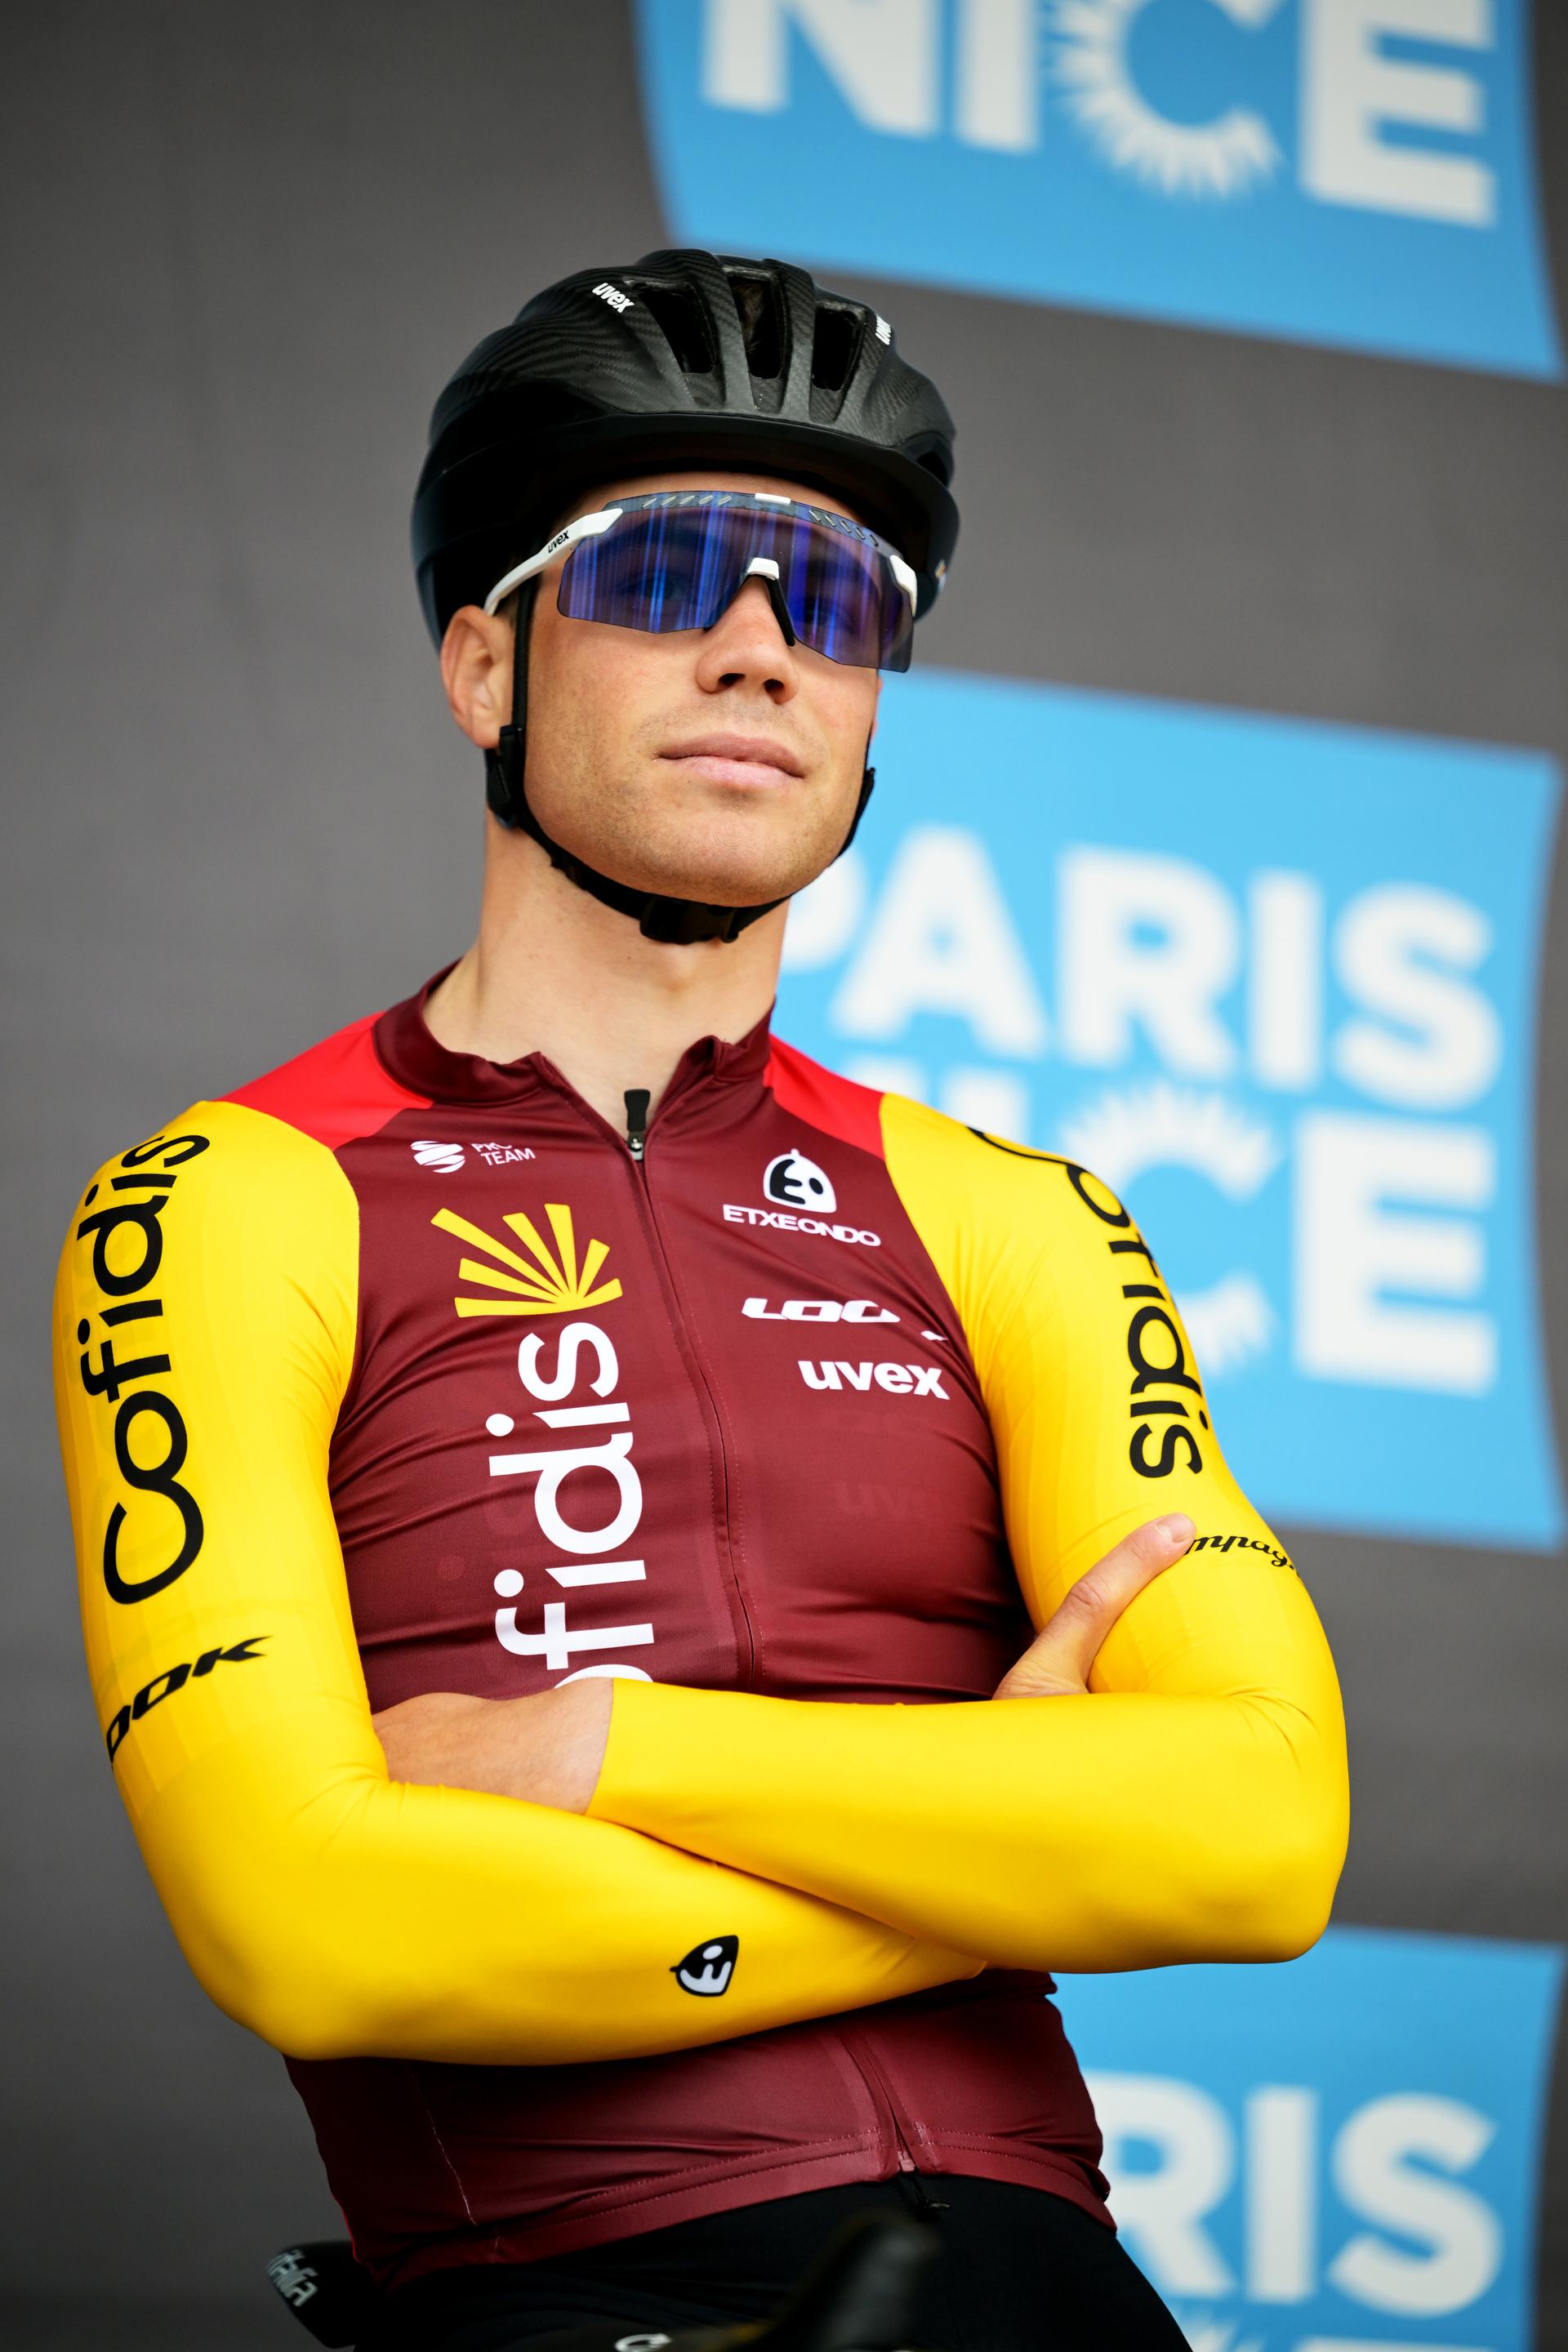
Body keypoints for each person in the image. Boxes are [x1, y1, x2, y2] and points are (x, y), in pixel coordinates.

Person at [53, 250, 1348, 2352]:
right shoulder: (222, 1202)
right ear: (485, 665)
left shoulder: (1020, 1212)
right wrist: (987, 1857)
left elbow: (1261, 1836)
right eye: (663, 571)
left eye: (831, 602)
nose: (758, 648)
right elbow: (312, 1925)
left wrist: (601, 1747)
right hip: (577, 2297)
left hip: (1057, 2299)